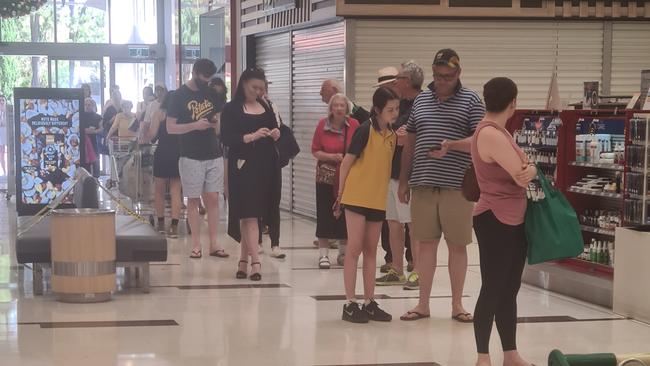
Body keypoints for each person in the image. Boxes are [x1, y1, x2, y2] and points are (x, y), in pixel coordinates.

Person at [398, 49, 485, 322]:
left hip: (457, 187)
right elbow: (410, 142)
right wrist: (403, 179)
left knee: (457, 245)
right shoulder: (422, 99)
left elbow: (480, 140)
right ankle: (422, 304)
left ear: (458, 73)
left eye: (447, 76)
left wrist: (452, 146)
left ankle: (457, 304)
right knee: (425, 245)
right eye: (437, 76)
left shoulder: (472, 100)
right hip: (423, 184)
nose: (442, 81)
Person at [472, 77, 534, 366]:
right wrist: (529, 167)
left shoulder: (499, 132)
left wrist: (528, 168)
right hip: (494, 218)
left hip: (513, 218)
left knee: (509, 288)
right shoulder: (491, 134)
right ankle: (483, 356)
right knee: (493, 287)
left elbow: (523, 169)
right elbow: (520, 171)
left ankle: (510, 353)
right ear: (513, 103)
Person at [339, 87, 398, 323]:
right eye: (390, 110)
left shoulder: (393, 135)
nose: (395, 113)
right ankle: (350, 303)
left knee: (372, 250)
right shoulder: (364, 131)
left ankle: (369, 301)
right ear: (377, 110)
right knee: (354, 249)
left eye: (397, 109)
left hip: (376, 199)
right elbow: (346, 163)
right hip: (355, 197)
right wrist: (340, 194)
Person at [221, 67, 281, 281]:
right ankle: (256, 261)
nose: (257, 91)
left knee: (254, 215)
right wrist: (250, 137)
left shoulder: (265, 105)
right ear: (243, 84)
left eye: (261, 88)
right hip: (242, 165)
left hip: (265, 165)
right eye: (254, 87)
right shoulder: (231, 109)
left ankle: (243, 261)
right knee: (248, 214)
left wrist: (274, 134)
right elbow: (226, 138)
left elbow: (276, 128)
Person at [167, 59, 229, 259]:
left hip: (213, 152)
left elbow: (217, 118)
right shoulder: (178, 96)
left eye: (210, 78)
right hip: (190, 154)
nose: (207, 81)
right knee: (193, 199)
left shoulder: (210, 92)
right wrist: (194, 126)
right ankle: (196, 243)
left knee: (213, 197)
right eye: (204, 77)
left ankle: (214, 243)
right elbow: (171, 127)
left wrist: (213, 123)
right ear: (194, 73)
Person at [376, 61, 424, 290]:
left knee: (413, 224)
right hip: (390, 170)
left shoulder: (423, 103)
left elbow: (405, 134)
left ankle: (417, 270)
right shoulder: (399, 103)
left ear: (409, 81)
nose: (396, 82)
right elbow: (388, 128)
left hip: (411, 174)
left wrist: (397, 131)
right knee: (394, 222)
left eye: (400, 78)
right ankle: (396, 268)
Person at [311, 93, 359, 269]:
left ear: (347, 108)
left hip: (347, 177)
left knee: (345, 215)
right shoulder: (322, 125)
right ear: (331, 108)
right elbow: (315, 150)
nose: (339, 108)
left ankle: (343, 252)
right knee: (324, 213)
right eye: (336, 105)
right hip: (326, 177)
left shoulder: (354, 125)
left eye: (342, 105)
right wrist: (332, 156)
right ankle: (323, 254)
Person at [144, 91, 182, 239]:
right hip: (178, 153)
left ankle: (160, 224)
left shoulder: (159, 113)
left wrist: (145, 132)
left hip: (163, 153)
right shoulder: (182, 115)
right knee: (175, 191)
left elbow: (152, 135)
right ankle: (174, 226)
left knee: (159, 190)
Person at [258, 80, 286, 260]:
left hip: (273, 158)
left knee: (274, 202)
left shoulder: (272, 106)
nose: (261, 93)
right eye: (257, 89)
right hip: (254, 159)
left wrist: (277, 132)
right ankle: (257, 241)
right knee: (257, 202)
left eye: (263, 89)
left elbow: (280, 127)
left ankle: (275, 243)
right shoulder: (244, 108)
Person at [80, 97, 103, 177]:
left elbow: (102, 129)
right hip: (83, 143)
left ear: (93, 105)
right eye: (85, 105)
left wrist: (95, 131)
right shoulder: (80, 116)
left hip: (94, 142)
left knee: (96, 162)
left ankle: (96, 179)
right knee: (85, 163)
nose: (87, 106)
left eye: (89, 105)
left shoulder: (98, 117)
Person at [0, 94, 7, 176]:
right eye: (0, 100)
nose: (1, 102)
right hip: (1, 134)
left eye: (3, 100)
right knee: (1, 153)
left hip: (8, 133)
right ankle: (4, 172)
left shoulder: (9, 111)